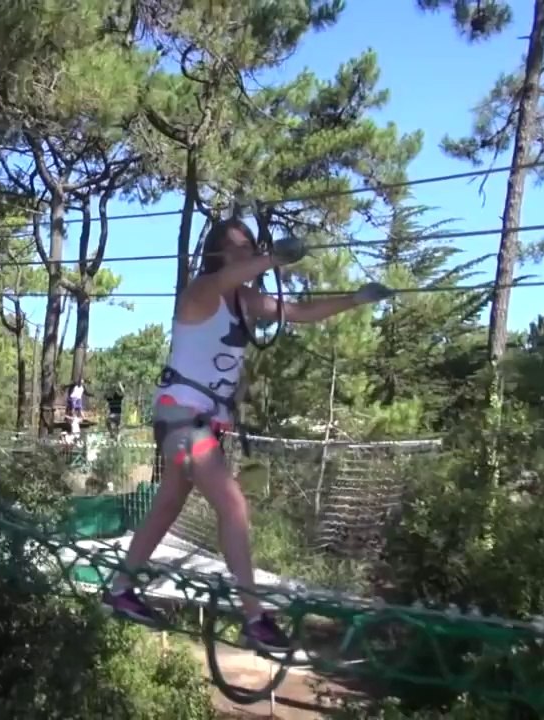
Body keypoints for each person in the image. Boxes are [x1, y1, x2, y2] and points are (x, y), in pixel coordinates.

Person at [100, 218, 393, 653]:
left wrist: (355, 299)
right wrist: (272, 257)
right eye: (236, 247)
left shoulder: (247, 299)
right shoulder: (202, 292)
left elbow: (299, 313)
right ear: (218, 253)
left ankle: (121, 588)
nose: (245, 254)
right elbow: (230, 275)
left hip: (196, 421)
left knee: (167, 505)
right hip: (183, 416)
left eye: (249, 247)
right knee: (232, 505)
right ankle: (254, 618)